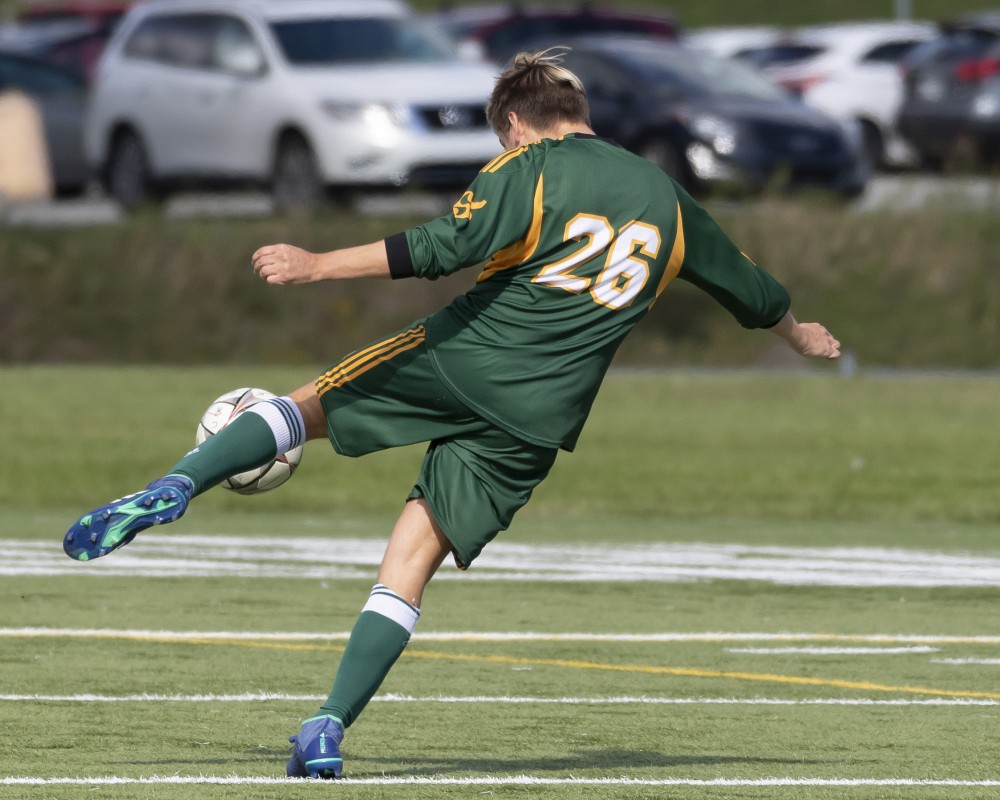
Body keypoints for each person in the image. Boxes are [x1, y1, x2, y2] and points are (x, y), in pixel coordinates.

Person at [62, 48, 841, 779]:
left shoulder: (526, 168)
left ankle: (175, 484)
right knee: (408, 568)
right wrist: (800, 334)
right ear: (581, 110)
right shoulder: (668, 199)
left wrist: (317, 264)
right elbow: (749, 286)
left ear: (512, 122)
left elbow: (442, 245)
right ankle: (328, 725)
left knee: (306, 407)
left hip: (467, 358)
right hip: (539, 420)